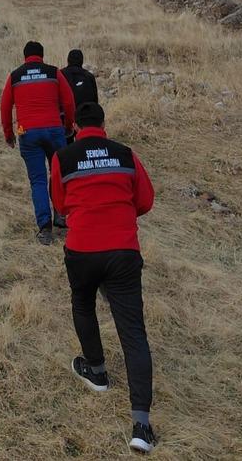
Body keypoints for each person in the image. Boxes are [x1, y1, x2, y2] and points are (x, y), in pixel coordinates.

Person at [51, 101, 156, 454]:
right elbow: (145, 200)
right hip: (123, 251)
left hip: (82, 249)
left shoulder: (63, 157)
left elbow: (60, 205)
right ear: (103, 124)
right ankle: (141, 426)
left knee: (82, 303)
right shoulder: (126, 154)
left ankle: (96, 371)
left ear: (76, 126)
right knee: (133, 332)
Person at [0, 41, 75, 245]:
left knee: (38, 180)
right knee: (58, 174)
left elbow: (5, 107)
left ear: (25, 56)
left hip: (28, 133)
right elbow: (69, 101)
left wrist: (9, 134)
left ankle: (45, 228)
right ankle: (60, 214)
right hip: (54, 131)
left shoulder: (15, 76)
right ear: (42, 55)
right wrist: (68, 126)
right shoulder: (54, 72)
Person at [61, 49, 98, 144]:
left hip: (65, 118)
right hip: (85, 118)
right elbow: (95, 102)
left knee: (68, 146)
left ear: (68, 60)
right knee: (84, 145)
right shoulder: (89, 76)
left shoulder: (60, 74)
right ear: (82, 61)